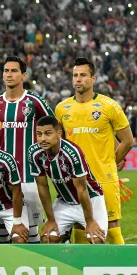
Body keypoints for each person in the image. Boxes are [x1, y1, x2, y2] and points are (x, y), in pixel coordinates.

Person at [55, 57, 133, 244]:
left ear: (93, 79)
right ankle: (82, 271)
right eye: (75, 75)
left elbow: (128, 141)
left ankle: (121, 272)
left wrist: (111, 162)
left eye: (83, 75)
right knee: (80, 229)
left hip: (104, 179)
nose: (78, 79)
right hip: (77, 181)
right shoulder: (61, 109)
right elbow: (60, 145)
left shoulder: (109, 106)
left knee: (112, 228)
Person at [0, 56, 54, 243]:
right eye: (6, 71)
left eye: (14, 71)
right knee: (1, 231)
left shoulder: (35, 102)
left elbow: (55, 130)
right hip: (0, 178)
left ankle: (34, 269)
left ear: (23, 75)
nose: (9, 74)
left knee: (29, 232)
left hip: (29, 176)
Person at [28, 116, 107, 244]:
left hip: (91, 199)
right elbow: (42, 186)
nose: (42, 139)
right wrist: (51, 219)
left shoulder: (72, 152)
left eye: (48, 134)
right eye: (39, 134)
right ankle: (65, 243)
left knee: (96, 239)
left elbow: (82, 190)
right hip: (64, 201)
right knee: (48, 238)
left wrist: (90, 221)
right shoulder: (34, 152)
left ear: (58, 134)